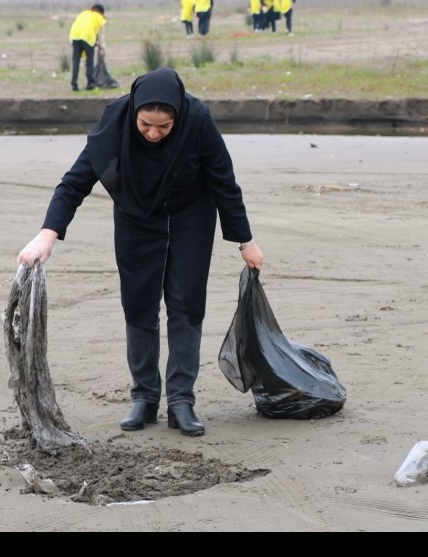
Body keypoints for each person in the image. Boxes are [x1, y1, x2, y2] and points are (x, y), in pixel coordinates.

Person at [16, 68, 264, 437]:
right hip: (136, 220)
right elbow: (74, 183)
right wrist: (47, 235)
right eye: (145, 124)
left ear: (177, 117)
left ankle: (182, 400)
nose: (152, 134)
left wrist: (245, 241)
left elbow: (224, 182)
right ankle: (144, 397)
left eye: (163, 128)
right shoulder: (114, 124)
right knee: (139, 304)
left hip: (190, 219)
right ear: (134, 111)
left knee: (186, 304)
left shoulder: (198, 120)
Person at [69, 4, 107, 92]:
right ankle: (90, 83)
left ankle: (74, 84)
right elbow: (101, 36)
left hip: (75, 35)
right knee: (89, 61)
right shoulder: (100, 17)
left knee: (76, 61)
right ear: (101, 12)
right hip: (88, 37)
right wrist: (102, 47)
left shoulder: (84, 13)